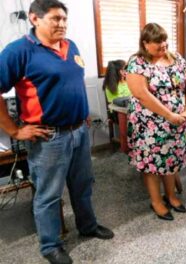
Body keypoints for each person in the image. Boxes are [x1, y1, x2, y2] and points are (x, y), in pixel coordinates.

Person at [0, 1, 114, 263]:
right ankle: (50, 245)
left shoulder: (70, 45)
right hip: (48, 137)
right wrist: (15, 131)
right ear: (34, 19)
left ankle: (87, 226)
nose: (62, 24)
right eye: (55, 19)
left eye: (64, 19)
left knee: (83, 185)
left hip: (79, 131)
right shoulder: (18, 51)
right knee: (49, 194)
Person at [126, 23, 186, 221]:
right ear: (145, 43)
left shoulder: (177, 58)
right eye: (157, 41)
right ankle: (156, 201)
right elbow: (141, 94)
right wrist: (169, 115)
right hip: (150, 125)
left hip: (177, 123)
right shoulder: (137, 62)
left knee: (171, 161)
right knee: (152, 164)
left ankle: (171, 196)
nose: (163, 44)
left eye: (165, 40)